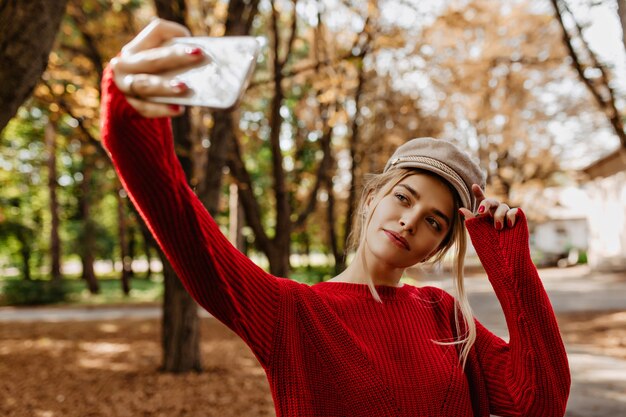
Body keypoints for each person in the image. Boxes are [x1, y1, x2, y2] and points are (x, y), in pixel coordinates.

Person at [101, 19, 570, 417]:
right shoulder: (295, 314)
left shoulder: (446, 317)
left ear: (440, 247)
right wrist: (129, 121)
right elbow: (188, 230)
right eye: (403, 198)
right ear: (370, 200)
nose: (410, 221)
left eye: (434, 222)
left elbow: (540, 401)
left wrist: (510, 263)